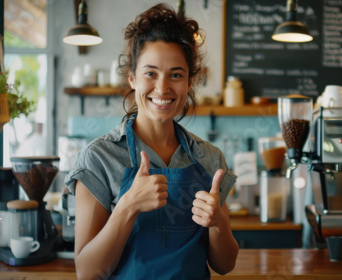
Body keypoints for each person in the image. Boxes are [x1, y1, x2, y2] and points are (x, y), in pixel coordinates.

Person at [64, 3, 239, 279]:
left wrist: (218, 224)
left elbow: (225, 265)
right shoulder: (99, 157)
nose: (162, 88)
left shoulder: (209, 158)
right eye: (150, 73)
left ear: (190, 82)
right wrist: (128, 205)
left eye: (176, 75)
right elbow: (87, 272)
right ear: (132, 78)